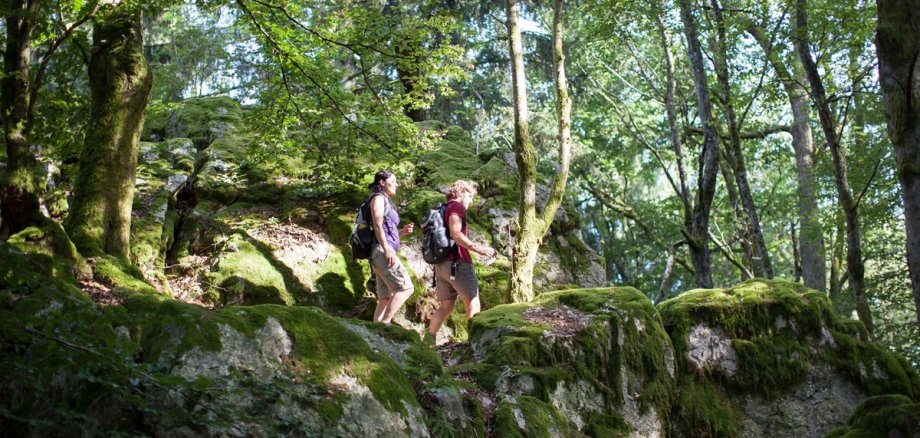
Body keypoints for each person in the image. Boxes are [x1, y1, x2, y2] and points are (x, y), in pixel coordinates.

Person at [427, 180, 497, 341]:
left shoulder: (443, 208)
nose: (471, 201)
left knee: (445, 307)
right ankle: (475, 342)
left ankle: (426, 344)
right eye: (470, 196)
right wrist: (478, 249)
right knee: (473, 301)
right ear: (461, 192)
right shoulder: (456, 207)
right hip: (458, 262)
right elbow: (455, 233)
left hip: (441, 264)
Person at [367, 170, 415, 324]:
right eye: (393, 181)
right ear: (382, 182)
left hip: (381, 251)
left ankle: (376, 336)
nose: (397, 184)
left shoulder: (384, 200)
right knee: (406, 288)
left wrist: (401, 232)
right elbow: (377, 224)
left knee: (384, 298)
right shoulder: (378, 198)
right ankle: (385, 325)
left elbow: (385, 230)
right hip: (382, 252)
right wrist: (387, 248)